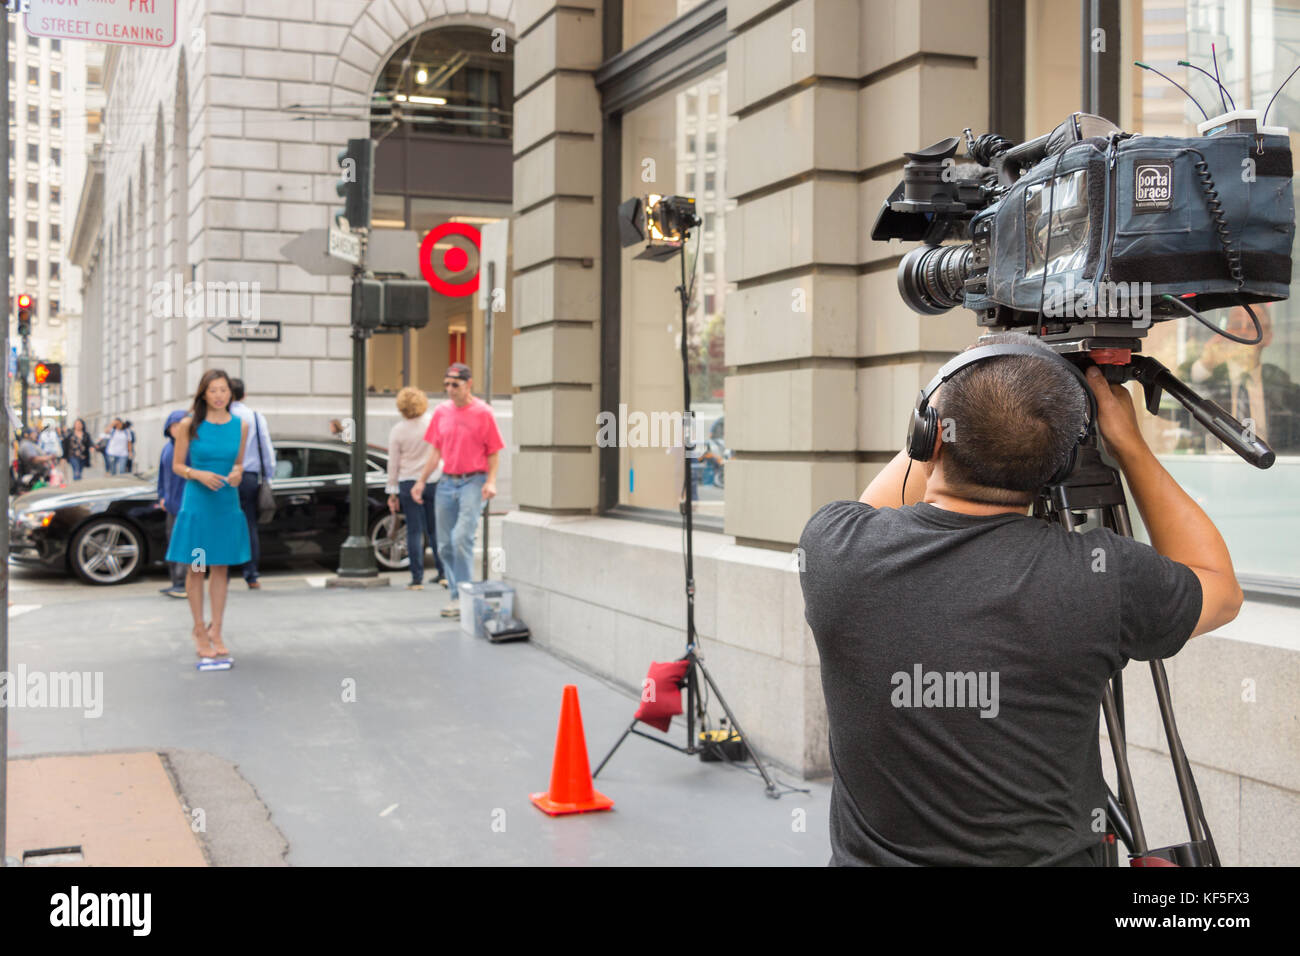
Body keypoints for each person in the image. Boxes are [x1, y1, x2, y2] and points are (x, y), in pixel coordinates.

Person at [798, 331, 1243, 866]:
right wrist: (1129, 446)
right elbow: (1219, 586)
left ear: (928, 437)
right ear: (1059, 465)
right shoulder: (1104, 577)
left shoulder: (836, 549)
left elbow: (885, 503)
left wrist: (978, 373)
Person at [167, 369, 251, 659]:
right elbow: (178, 466)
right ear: (203, 393)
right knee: (198, 567)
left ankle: (217, 629)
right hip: (199, 504)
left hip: (226, 503)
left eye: (223, 390)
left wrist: (238, 474)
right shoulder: (190, 425)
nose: (219, 395)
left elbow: (238, 464)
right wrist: (198, 474)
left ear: (231, 393)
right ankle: (199, 628)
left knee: (221, 567)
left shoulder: (241, 426)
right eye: (213, 390)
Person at [413, 363, 504, 618]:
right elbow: (435, 452)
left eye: (456, 384)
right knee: (443, 546)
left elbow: (494, 452)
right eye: (447, 385)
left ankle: (464, 596)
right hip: (446, 482)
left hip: (474, 481)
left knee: (461, 538)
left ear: (468, 384)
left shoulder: (484, 413)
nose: (450, 390)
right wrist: (421, 481)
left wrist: (491, 481)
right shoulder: (441, 412)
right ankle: (456, 595)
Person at [386, 387, 446, 590]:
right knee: (436, 529)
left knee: (414, 530)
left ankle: (416, 578)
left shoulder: (398, 430)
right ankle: (443, 573)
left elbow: (393, 464)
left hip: (408, 481)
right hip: (433, 479)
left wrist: (392, 492)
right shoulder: (432, 423)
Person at [229, 378, 276, 590]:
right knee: (249, 525)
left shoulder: (221, 417)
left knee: (220, 524)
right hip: (248, 476)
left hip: (223, 475)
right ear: (244, 395)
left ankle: (219, 572)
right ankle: (252, 575)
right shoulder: (255, 417)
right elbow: (266, 449)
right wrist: (268, 477)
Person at [157, 410, 190, 598]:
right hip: (171, 505)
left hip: (191, 507)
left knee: (194, 547)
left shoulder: (193, 449)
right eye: (174, 426)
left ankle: (192, 581)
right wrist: (161, 496)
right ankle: (176, 582)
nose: (177, 429)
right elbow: (162, 476)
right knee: (174, 545)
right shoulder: (167, 449)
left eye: (181, 425)